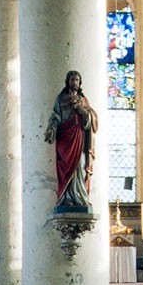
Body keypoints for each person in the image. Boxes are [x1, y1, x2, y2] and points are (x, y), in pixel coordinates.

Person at [44, 70, 98, 210]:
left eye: (77, 80)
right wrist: (51, 129)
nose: (74, 82)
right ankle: (66, 197)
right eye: (72, 79)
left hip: (79, 138)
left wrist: (82, 111)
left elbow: (91, 119)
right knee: (66, 168)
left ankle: (80, 197)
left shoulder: (83, 100)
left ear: (80, 83)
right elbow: (55, 116)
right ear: (67, 81)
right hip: (65, 140)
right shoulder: (61, 99)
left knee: (80, 165)